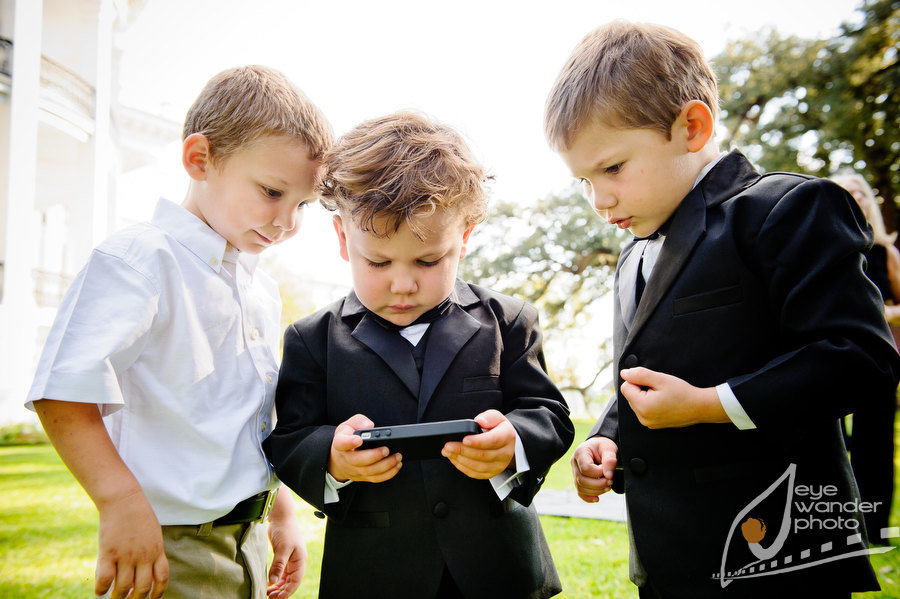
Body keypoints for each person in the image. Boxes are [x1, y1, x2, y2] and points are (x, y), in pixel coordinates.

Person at [544, 21, 900, 599]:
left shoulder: (787, 209)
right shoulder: (633, 251)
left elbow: (860, 358)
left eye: (612, 169)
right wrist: (610, 437)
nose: (599, 199)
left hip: (777, 557)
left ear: (692, 126)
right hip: (666, 561)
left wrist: (713, 406)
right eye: (583, 181)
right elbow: (650, 370)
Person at [26, 65, 333, 599]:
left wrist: (280, 513)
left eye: (302, 204)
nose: (288, 222)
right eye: (271, 191)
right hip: (168, 545)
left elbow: (251, 421)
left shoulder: (258, 289)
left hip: (248, 540)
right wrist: (120, 503)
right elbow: (62, 390)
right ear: (200, 158)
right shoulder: (141, 260)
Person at [263, 111, 574, 599]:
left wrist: (513, 440)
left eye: (429, 261)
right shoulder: (310, 338)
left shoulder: (508, 320)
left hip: (499, 571)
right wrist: (333, 458)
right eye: (379, 261)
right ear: (344, 240)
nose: (403, 283)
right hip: (375, 575)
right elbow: (289, 439)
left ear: (465, 237)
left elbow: (550, 415)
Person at [832, 172, 900, 541]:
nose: (854, 197)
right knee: (833, 440)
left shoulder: (884, 250)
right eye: (846, 192)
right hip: (829, 355)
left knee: (875, 441)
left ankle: (875, 527)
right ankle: (840, 524)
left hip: (876, 355)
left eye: (859, 192)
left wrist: (878, 312)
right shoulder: (822, 246)